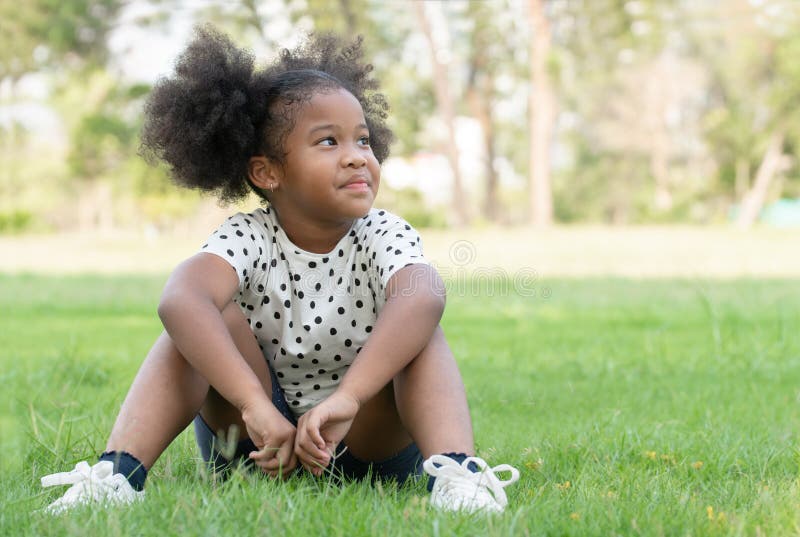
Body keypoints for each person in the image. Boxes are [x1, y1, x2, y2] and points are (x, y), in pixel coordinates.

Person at [39, 25, 519, 515]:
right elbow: (180, 300)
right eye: (329, 142)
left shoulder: (382, 232)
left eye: (362, 140)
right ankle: (117, 475)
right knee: (199, 322)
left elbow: (424, 296)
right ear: (268, 172)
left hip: (366, 441)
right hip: (257, 443)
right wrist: (254, 407)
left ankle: (458, 474)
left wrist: (348, 400)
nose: (357, 156)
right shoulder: (247, 236)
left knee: (419, 331)